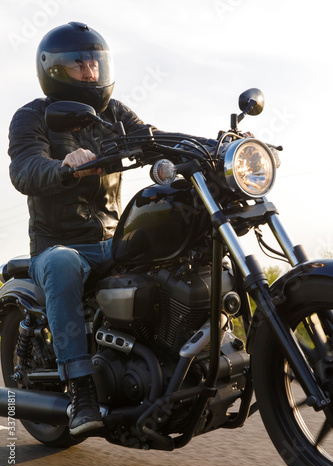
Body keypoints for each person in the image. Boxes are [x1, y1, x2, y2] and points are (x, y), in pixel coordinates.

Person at [8, 22, 206, 436]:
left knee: (178, 238)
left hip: (111, 241)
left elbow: (151, 138)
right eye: (79, 62)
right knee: (61, 264)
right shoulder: (32, 117)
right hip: (61, 244)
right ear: (55, 69)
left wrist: (210, 149)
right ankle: (81, 390)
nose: (90, 71)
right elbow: (25, 168)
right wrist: (63, 167)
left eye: (95, 61)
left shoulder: (113, 114)